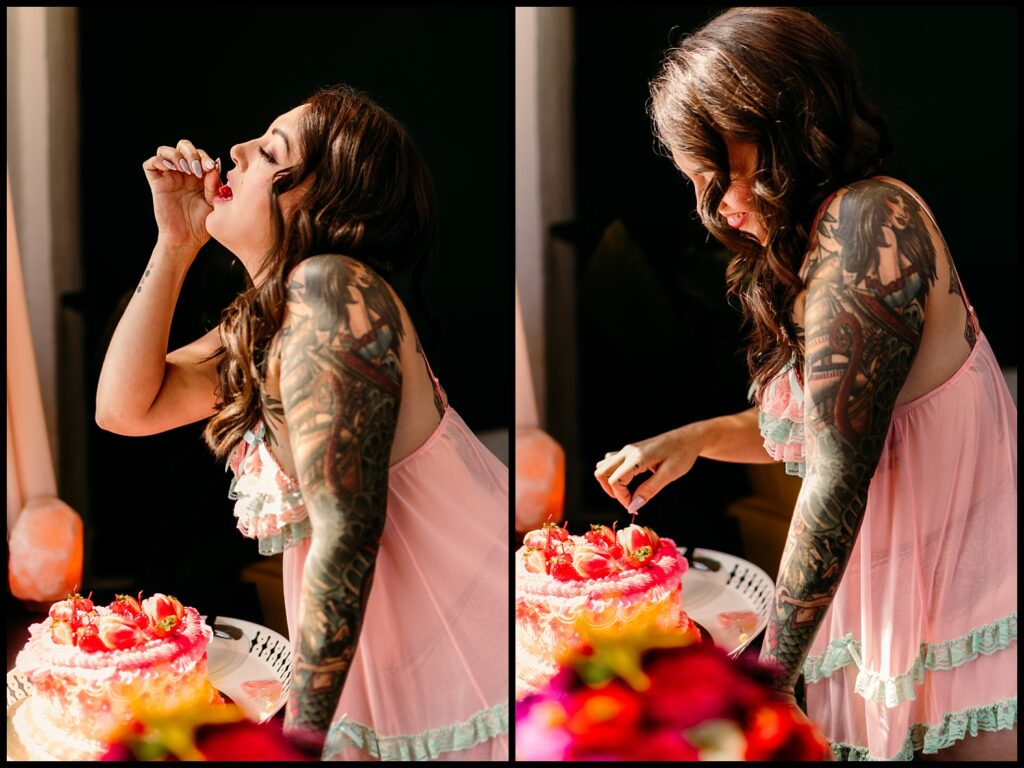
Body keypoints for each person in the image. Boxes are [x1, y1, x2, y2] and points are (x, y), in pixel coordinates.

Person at [594, 8, 1016, 762]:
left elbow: (834, 472)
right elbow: (833, 423)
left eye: (719, 174)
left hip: (957, 600)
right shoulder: (829, 227)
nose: (718, 207)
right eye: (699, 182)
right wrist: (692, 441)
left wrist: (770, 678)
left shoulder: (869, 225)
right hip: (901, 590)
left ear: (781, 125)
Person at [96, 84, 509, 760]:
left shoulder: (331, 292)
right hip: (396, 661)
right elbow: (123, 409)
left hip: (465, 650)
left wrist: (303, 741)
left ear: (321, 206)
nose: (235, 151)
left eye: (269, 154)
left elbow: (347, 536)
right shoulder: (269, 318)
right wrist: (174, 244)